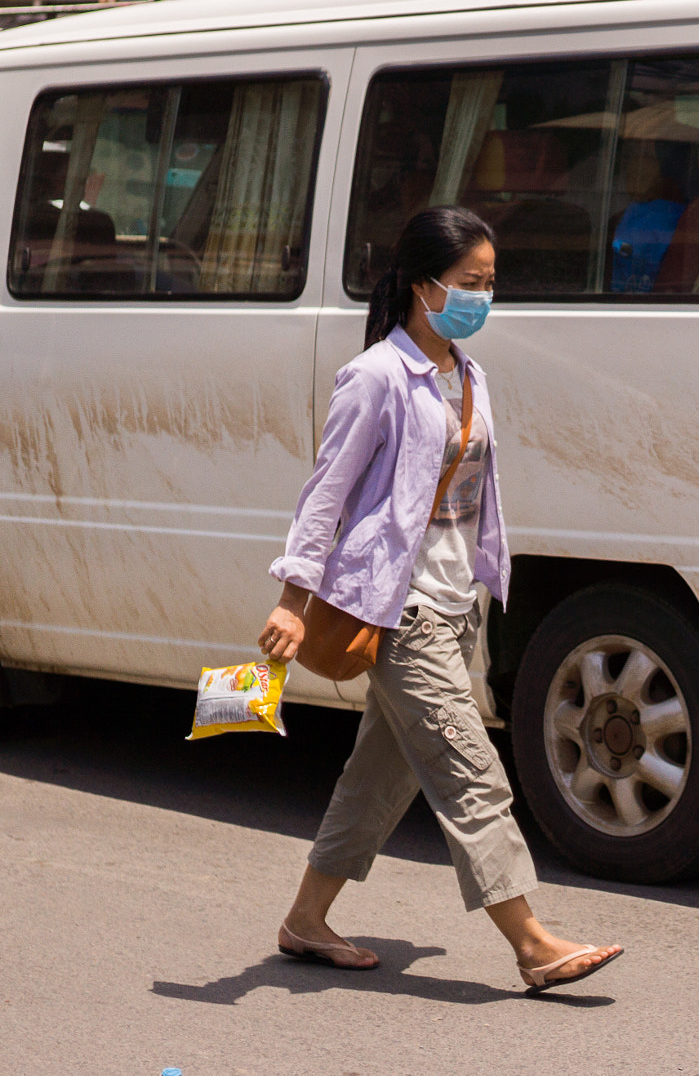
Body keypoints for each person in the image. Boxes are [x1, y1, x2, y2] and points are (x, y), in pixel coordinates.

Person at [257, 206, 623, 994]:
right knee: (470, 772)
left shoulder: (467, 373)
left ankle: (305, 920)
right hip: (400, 610)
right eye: (470, 283)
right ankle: (532, 944)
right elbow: (326, 495)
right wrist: (294, 597)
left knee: (381, 776)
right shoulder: (376, 378)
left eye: (491, 284)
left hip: (459, 605)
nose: (482, 298)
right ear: (424, 286)